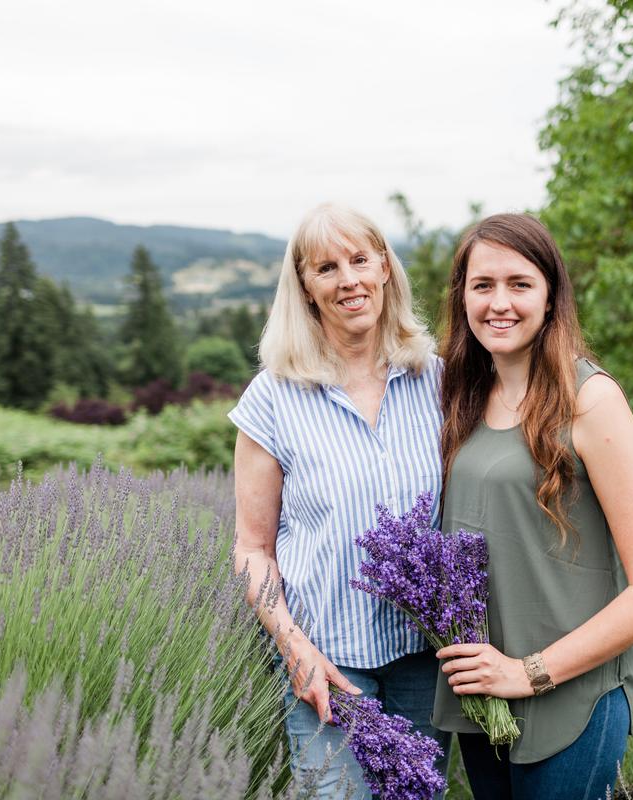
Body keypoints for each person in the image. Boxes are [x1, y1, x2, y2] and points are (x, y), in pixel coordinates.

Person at [431, 213, 633, 799]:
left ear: (551, 297)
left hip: (570, 702)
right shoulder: (462, 397)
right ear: (462, 297)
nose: (500, 302)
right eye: (482, 285)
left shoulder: (591, 401)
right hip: (483, 699)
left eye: (520, 284)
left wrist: (526, 673)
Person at [229, 204, 449, 798]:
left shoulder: (438, 380)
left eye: (359, 260)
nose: (348, 280)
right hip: (326, 661)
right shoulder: (272, 397)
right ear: (305, 284)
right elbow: (252, 547)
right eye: (327, 267)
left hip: (424, 653)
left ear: (384, 268)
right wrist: (294, 648)